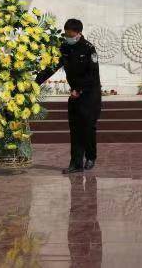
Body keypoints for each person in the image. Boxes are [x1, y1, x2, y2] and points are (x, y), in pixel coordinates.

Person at [36, 18, 101, 174]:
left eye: (70, 35)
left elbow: (92, 75)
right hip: (75, 94)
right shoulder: (65, 47)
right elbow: (52, 67)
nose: (68, 37)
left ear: (79, 33)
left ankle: (91, 157)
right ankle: (76, 163)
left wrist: (79, 89)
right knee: (75, 128)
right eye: (66, 34)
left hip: (89, 94)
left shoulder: (89, 49)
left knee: (88, 127)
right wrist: (35, 82)